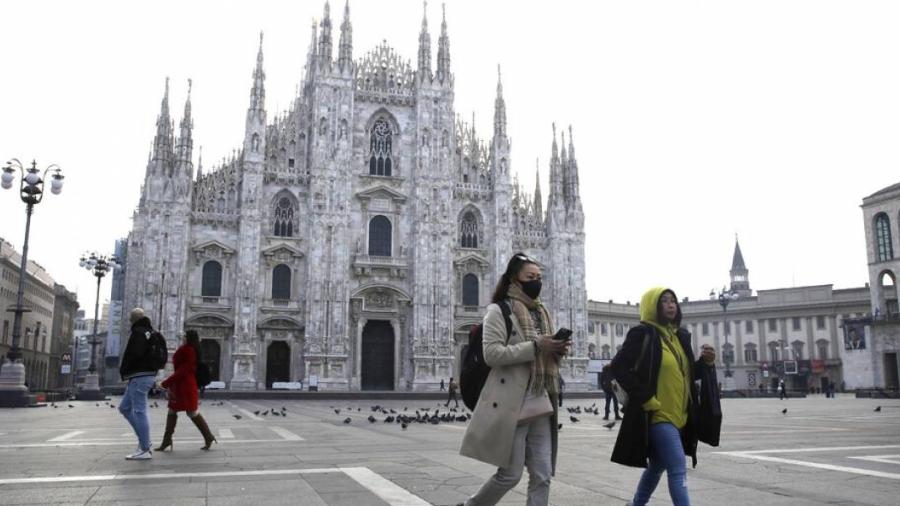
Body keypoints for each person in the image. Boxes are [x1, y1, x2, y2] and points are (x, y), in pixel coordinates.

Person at [459, 253, 570, 506]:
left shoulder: (541, 313)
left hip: (540, 400)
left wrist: (556, 349)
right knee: (510, 475)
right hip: (512, 402)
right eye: (531, 277)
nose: (537, 282)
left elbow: (542, 353)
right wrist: (537, 346)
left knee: (542, 475)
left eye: (539, 277)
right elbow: (492, 354)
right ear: (514, 280)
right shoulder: (499, 311)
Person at [609, 287, 716, 506]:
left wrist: (706, 363)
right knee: (677, 469)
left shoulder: (679, 337)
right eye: (664, 301)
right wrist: (646, 398)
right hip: (659, 414)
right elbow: (619, 368)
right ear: (652, 306)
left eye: (673, 301)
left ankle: (636, 504)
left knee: (657, 465)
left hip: (681, 415)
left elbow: (685, 373)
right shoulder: (643, 334)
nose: (671, 305)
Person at [155, 329, 217, 451]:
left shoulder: (189, 350)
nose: (182, 337)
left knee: (191, 412)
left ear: (188, 338)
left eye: (184, 336)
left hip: (186, 387)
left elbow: (183, 371)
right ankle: (167, 440)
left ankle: (208, 436)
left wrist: (166, 383)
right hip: (179, 386)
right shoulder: (188, 349)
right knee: (172, 411)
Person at [118, 308, 161, 460]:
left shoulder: (139, 333)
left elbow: (134, 354)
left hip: (140, 376)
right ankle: (144, 440)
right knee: (124, 408)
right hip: (143, 376)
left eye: (131, 318)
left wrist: (125, 369)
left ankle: (144, 449)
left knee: (140, 411)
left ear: (134, 319)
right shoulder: (150, 332)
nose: (129, 320)